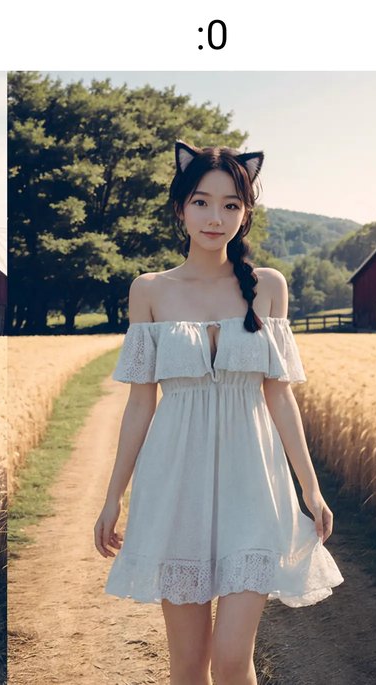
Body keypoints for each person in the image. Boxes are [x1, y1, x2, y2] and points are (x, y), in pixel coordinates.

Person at [93, 140, 343, 685]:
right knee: (186, 666)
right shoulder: (150, 291)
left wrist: (311, 487)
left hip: (253, 481)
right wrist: (113, 496)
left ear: (246, 212)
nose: (216, 217)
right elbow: (140, 404)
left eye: (231, 205)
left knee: (231, 660)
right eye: (202, 202)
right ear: (180, 207)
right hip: (174, 481)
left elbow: (280, 394)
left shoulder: (268, 286)